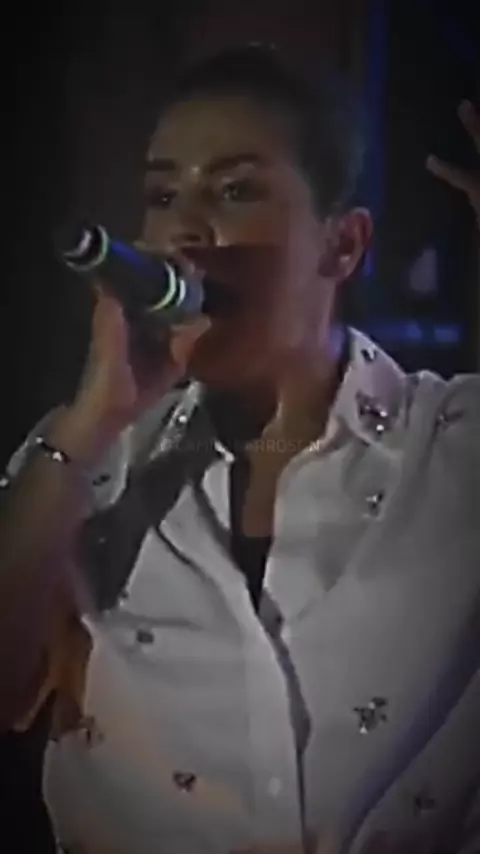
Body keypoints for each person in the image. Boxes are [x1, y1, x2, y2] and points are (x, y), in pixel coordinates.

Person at [0, 45, 479, 854]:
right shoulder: (81, 464)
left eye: (234, 190)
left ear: (343, 245)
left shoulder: (458, 446)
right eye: (162, 196)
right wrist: (90, 422)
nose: (185, 229)